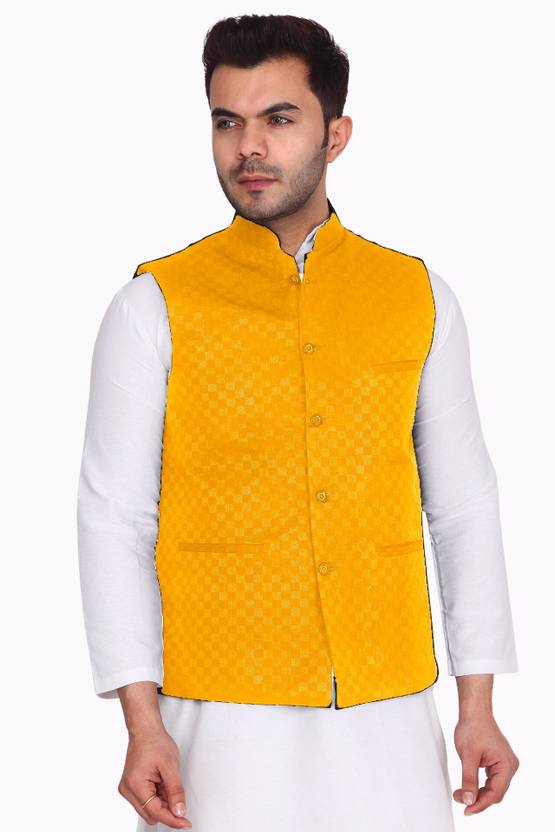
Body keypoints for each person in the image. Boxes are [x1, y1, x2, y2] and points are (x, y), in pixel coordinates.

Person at [77, 14, 520, 832]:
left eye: (278, 119)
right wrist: (141, 724)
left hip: (388, 710)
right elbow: (114, 517)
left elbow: (462, 505)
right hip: (215, 714)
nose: (248, 147)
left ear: (334, 134)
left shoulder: (417, 297)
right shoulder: (153, 305)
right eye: (227, 122)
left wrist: (477, 705)